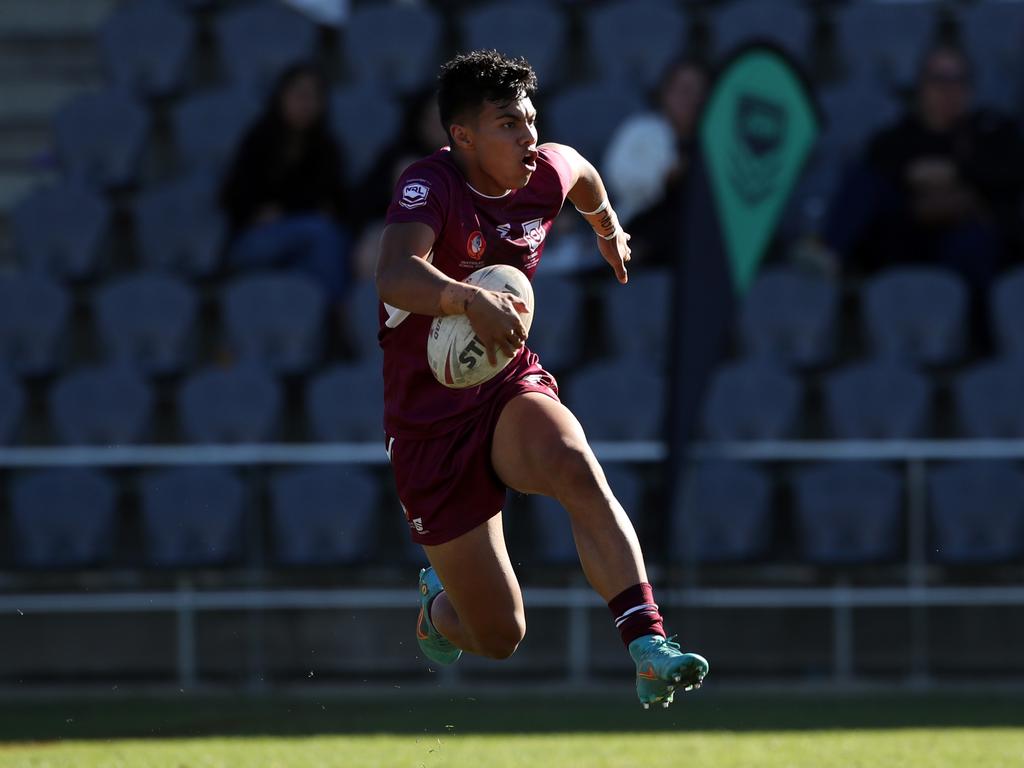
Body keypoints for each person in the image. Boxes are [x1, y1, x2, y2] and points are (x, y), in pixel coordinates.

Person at [374, 50, 709, 709]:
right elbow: (394, 276)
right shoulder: (430, 186)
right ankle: (436, 605)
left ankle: (647, 643)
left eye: (530, 120)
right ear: (463, 137)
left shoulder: (542, 171)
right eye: (507, 124)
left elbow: (581, 171)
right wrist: (466, 299)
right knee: (499, 635)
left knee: (573, 464)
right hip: (426, 427)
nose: (528, 137)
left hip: (502, 388)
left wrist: (608, 227)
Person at [823, 44, 1024, 306]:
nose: (949, 89)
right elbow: (880, 164)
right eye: (939, 79)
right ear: (921, 86)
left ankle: (975, 336)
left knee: (975, 243)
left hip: (965, 234)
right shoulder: (899, 136)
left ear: (970, 89)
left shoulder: (990, 129)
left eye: (958, 80)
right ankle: (827, 255)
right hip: (908, 234)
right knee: (863, 180)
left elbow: (1013, 171)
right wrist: (911, 174)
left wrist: (956, 172)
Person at [220, 63, 353, 343]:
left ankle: (308, 341)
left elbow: (335, 203)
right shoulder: (257, 141)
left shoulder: (327, 148)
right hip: (255, 241)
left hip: (303, 246)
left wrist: (284, 210)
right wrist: (269, 211)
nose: (306, 104)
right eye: (299, 95)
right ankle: (339, 319)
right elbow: (233, 196)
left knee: (318, 251)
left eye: (313, 97)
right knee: (321, 232)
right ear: (281, 97)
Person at [603, 57, 709, 266]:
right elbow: (617, 175)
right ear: (666, 94)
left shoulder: (715, 142)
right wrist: (665, 176)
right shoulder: (641, 131)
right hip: (643, 225)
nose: (693, 100)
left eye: (700, 93)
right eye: (685, 91)